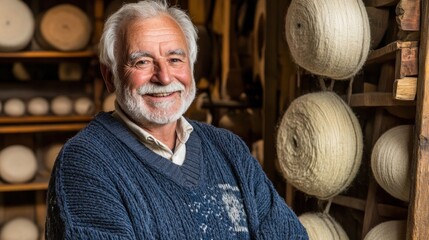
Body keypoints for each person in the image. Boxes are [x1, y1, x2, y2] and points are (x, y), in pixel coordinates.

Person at [45, 0, 308, 239]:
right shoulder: (85, 163)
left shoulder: (229, 148)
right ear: (110, 76)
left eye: (175, 59)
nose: (165, 77)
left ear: (191, 67)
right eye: (142, 62)